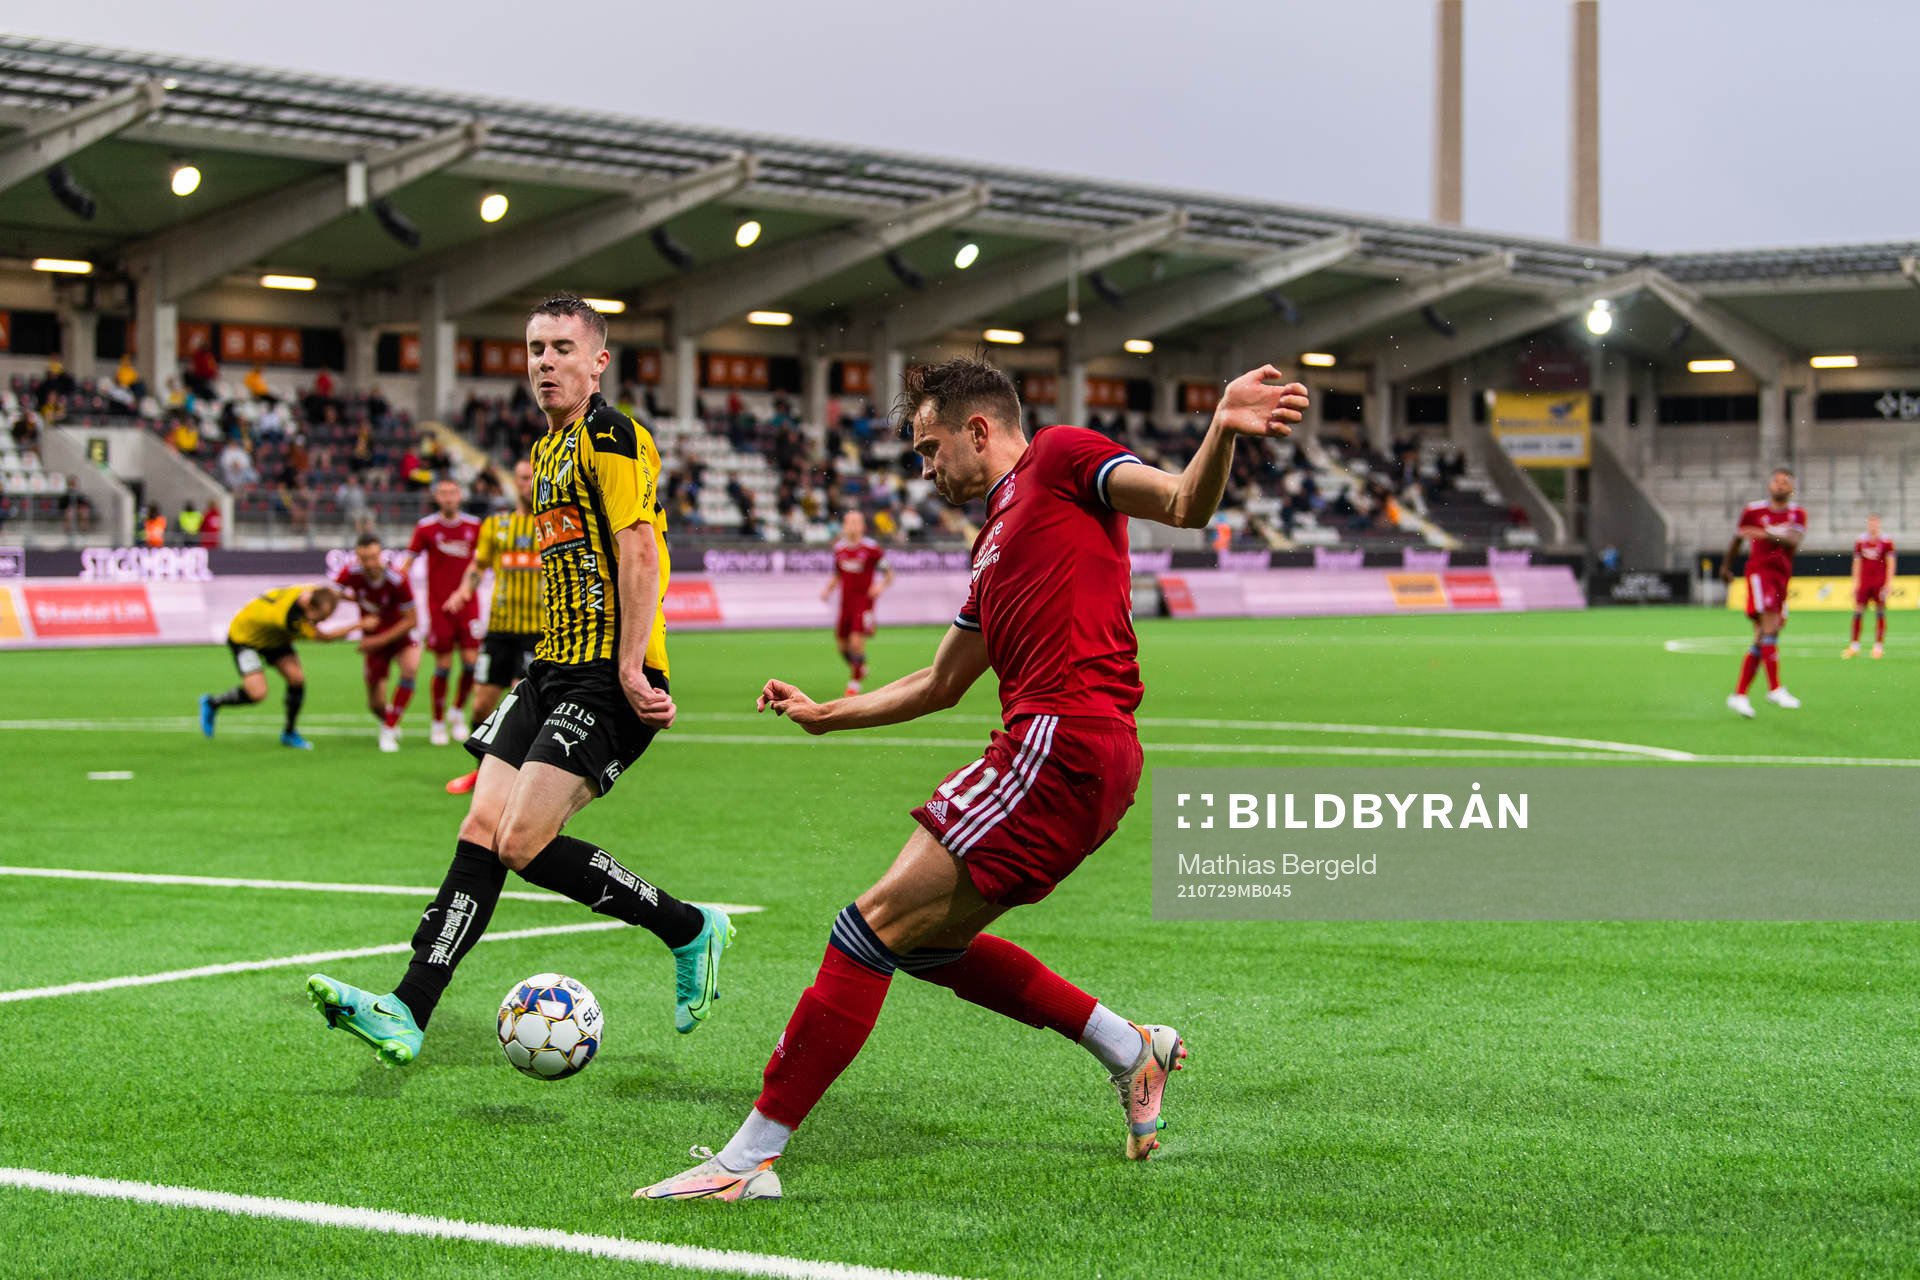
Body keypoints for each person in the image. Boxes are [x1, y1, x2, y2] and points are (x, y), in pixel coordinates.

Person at [637, 356, 1307, 1201]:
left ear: (978, 430)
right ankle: (1130, 1047)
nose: (925, 470)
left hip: (1061, 741)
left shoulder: (1062, 459)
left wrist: (1220, 428)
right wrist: (825, 714)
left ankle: (747, 1161)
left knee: (867, 927)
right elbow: (940, 682)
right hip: (1071, 751)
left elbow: (1182, 503)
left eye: (928, 449)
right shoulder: (993, 542)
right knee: (923, 943)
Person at [306, 292, 731, 1067]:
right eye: (535, 349)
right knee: (480, 831)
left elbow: (639, 551)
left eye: (563, 348)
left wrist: (633, 666)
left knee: (524, 841)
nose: (545, 362)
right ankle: (408, 1007)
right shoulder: (545, 451)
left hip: (607, 674)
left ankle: (690, 928)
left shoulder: (611, 434)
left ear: (598, 360)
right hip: (550, 667)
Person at [443, 459, 544, 795]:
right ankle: (481, 773)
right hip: (500, 630)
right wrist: (463, 592)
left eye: (531, 477)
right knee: (481, 705)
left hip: (537, 631)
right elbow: (478, 564)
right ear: (513, 482)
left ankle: (519, 779)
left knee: (520, 704)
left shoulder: (556, 524)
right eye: (521, 478)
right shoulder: (496, 525)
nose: (526, 483)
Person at [198, 584, 344, 749]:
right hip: (245, 639)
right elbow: (325, 637)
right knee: (257, 693)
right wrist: (360, 626)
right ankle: (212, 703)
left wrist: (360, 600)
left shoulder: (312, 592)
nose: (320, 621)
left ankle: (289, 733)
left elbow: (335, 594)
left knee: (296, 678)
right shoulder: (289, 619)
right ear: (309, 605)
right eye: (320, 617)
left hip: (273, 637)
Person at [401, 478, 483, 745]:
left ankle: (457, 711)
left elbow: (482, 565)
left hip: (468, 605)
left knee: (471, 662)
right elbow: (407, 563)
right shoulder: (426, 528)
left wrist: (466, 592)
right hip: (439, 608)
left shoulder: (475, 526)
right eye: (443, 493)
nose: (448, 497)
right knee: (444, 666)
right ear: (437, 497)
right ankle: (437, 721)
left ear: (460, 495)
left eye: (452, 492)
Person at [1721, 467, 1806, 717]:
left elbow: (1793, 541)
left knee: (1765, 635)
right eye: (1776, 481)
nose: (1779, 485)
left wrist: (1764, 533)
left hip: (1781, 577)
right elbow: (1738, 538)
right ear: (1770, 486)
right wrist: (1726, 566)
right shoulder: (1754, 510)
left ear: (1791, 488)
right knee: (1769, 626)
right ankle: (1775, 688)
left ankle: (1739, 695)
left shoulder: (1797, 513)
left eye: (1785, 482)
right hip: (1760, 574)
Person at [331, 532, 421, 753]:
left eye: (373, 557)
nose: (369, 563)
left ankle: (390, 728)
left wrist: (377, 640)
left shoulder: (397, 579)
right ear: (357, 558)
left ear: (381, 554)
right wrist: (352, 599)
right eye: (364, 558)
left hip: (399, 635)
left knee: (409, 669)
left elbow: (412, 620)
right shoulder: (351, 573)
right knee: (375, 704)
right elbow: (331, 594)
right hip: (373, 639)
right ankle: (389, 717)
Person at [821, 510, 892, 697]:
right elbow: (837, 574)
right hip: (846, 604)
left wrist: (880, 586)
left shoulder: (871, 548)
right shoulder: (839, 549)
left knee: (856, 643)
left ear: (862, 526)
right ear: (844, 526)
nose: (852, 526)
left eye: (856, 522)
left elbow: (889, 574)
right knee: (842, 647)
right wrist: (828, 590)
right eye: (849, 522)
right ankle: (860, 668)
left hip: (864, 602)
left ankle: (854, 684)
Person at [1843, 513, 1895, 660]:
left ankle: (1878, 647)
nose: (1873, 526)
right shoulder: (1861, 542)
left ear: (1879, 524)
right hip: (1864, 583)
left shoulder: (1886, 542)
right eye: (1871, 523)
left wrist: (1889, 583)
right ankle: (1854, 646)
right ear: (1868, 524)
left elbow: (1891, 563)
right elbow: (1857, 563)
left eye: (1875, 523)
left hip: (1879, 583)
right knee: (1858, 612)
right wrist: (1855, 582)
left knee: (1880, 612)